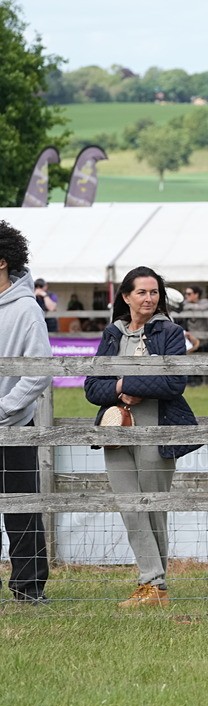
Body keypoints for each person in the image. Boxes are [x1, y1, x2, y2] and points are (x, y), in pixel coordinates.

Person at [84, 266, 201, 608]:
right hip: (116, 429)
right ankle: (154, 584)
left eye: (154, 292)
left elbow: (173, 383)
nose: (149, 298)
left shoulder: (170, 332)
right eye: (142, 292)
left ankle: (153, 584)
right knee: (129, 505)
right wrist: (120, 388)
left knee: (152, 507)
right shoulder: (112, 334)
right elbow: (92, 387)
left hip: (156, 429)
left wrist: (125, 383)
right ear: (126, 296)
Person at [0, 221, 53, 605]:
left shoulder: (25, 310)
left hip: (13, 427)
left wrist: (4, 409)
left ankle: (28, 588)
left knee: (23, 512)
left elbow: (39, 371)